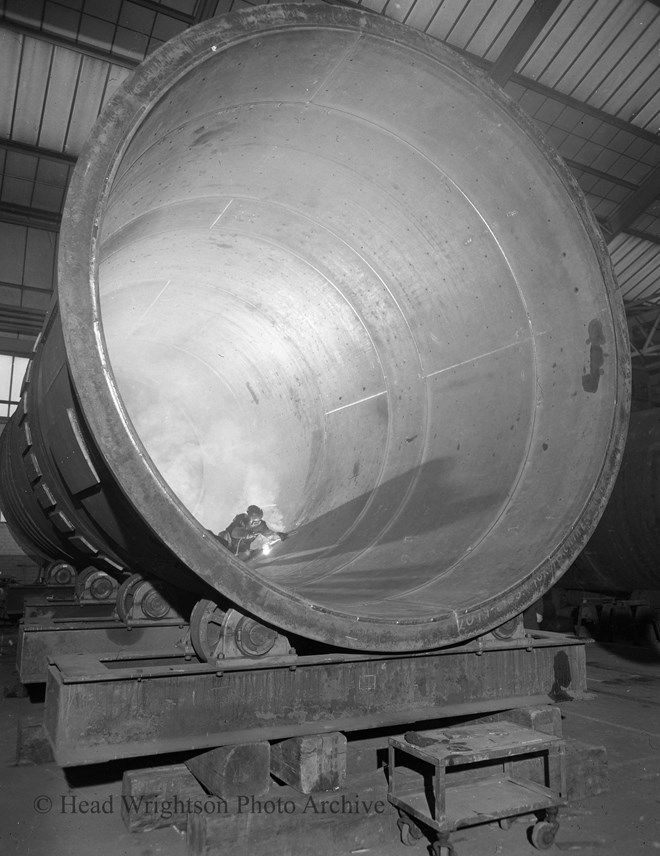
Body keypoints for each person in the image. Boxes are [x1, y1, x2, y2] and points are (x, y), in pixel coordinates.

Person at [216, 505, 288, 560]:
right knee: (223, 535)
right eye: (251, 520)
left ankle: (240, 558)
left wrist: (279, 535)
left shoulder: (260, 526)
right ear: (247, 516)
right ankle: (218, 548)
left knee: (246, 554)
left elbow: (269, 534)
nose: (254, 523)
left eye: (256, 521)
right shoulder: (240, 518)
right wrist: (246, 533)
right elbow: (233, 532)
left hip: (241, 549)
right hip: (229, 542)